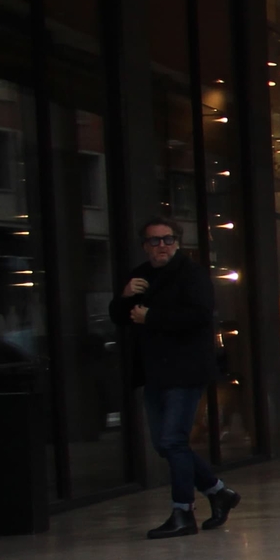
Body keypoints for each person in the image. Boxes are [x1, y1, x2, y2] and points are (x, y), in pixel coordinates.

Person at [109, 217, 236, 539]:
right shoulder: (140, 276)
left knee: (172, 441)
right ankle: (218, 491)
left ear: (177, 242)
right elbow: (120, 318)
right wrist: (124, 297)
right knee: (164, 444)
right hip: (153, 372)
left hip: (185, 370)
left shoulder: (191, 275)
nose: (161, 246)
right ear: (145, 246)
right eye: (154, 241)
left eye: (167, 239)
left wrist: (152, 316)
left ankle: (183, 512)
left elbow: (198, 315)